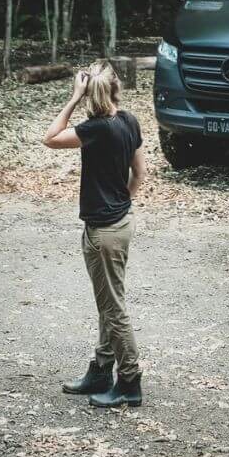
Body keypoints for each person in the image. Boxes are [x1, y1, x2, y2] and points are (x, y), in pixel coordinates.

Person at [42, 58, 147, 407]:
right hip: (118, 224)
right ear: (117, 88)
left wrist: (73, 98)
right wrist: (121, 204)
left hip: (104, 232)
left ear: (91, 93)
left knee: (113, 307)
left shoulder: (98, 128)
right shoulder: (129, 121)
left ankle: (129, 381)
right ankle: (102, 368)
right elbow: (139, 175)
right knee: (107, 303)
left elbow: (51, 137)